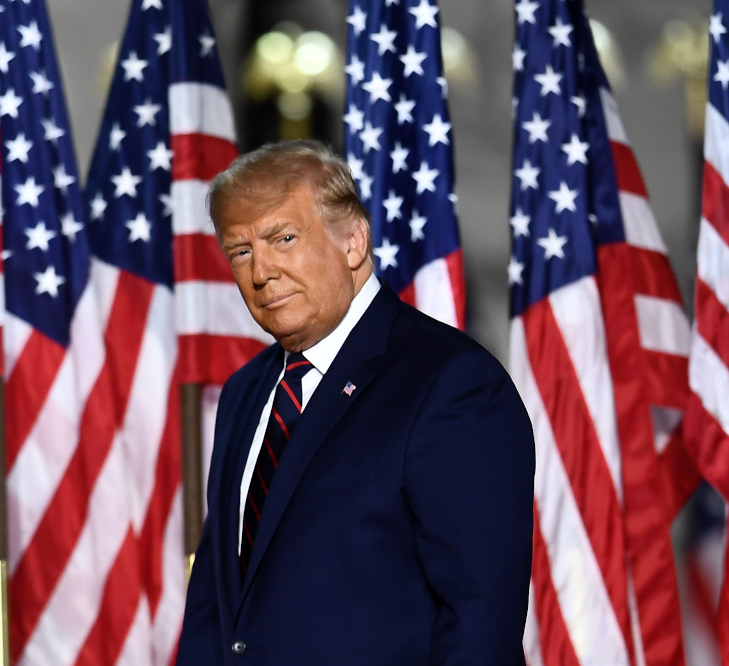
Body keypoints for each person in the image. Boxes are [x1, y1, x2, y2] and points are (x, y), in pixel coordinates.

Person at [177, 140, 534, 665]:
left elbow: (481, 621)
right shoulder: (245, 392)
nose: (261, 271)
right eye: (241, 250)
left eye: (284, 237)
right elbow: (216, 603)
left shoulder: (450, 382)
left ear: (352, 242)